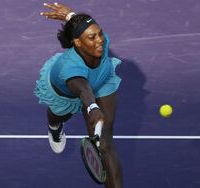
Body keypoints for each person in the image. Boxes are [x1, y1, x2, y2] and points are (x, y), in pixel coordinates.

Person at [36, 3, 123, 187]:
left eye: (100, 33)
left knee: (105, 145)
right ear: (77, 42)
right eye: (92, 37)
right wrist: (92, 107)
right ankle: (54, 126)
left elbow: (86, 29)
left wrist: (70, 16)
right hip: (65, 91)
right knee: (60, 115)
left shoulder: (101, 41)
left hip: (102, 80)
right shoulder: (70, 67)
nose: (100, 40)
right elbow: (83, 89)